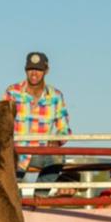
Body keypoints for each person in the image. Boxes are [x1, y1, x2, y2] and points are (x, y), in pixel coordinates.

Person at [5, 52, 71, 191]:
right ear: (25, 70)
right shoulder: (12, 92)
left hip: (42, 151)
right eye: (31, 69)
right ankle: (17, 202)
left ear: (46, 71)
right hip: (16, 152)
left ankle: (40, 198)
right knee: (12, 192)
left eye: (39, 69)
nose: (34, 73)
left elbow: (64, 128)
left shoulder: (55, 96)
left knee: (58, 158)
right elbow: (3, 124)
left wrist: (57, 140)